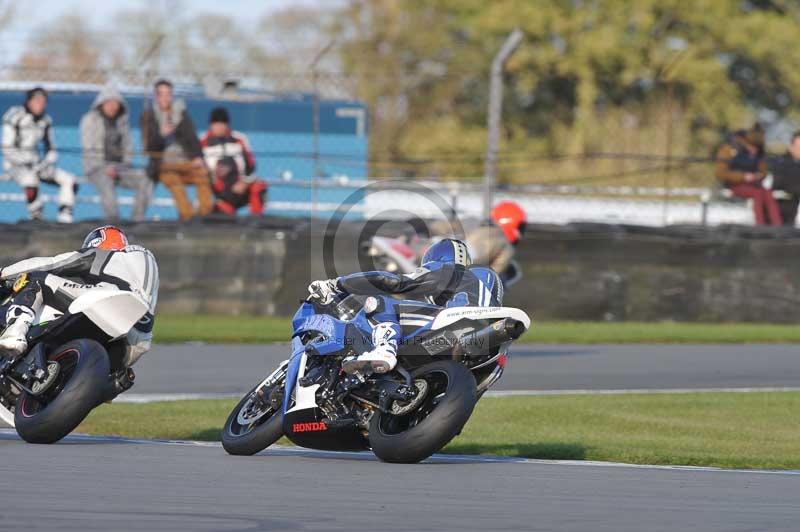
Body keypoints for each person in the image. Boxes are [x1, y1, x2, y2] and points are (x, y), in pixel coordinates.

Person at [307, 239, 496, 374]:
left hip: (459, 321)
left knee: (379, 303)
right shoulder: (477, 284)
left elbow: (394, 282)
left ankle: (385, 350)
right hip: (483, 343)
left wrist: (336, 284)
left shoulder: (447, 270)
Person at [0, 226, 158, 374]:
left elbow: (52, 263)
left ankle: (14, 334)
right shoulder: (141, 264)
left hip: (111, 300)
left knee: (36, 280)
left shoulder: (103, 254)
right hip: (136, 344)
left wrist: (4, 274)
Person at [140, 79, 213, 221]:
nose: (165, 98)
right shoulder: (148, 116)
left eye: (168, 94)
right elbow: (149, 147)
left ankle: (205, 216)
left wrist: (198, 157)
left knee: (203, 176)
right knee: (175, 184)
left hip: (185, 161)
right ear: (156, 97)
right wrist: (162, 135)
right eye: (162, 94)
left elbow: (192, 138)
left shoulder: (181, 114)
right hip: (164, 164)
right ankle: (188, 217)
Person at [1, 87, 76, 223]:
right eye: (37, 101)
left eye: (43, 102)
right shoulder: (14, 116)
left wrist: (47, 161)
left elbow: (51, 148)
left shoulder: (46, 120)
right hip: (14, 165)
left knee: (69, 180)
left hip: (38, 164)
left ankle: (65, 220)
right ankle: (36, 217)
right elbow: (6, 148)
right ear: (29, 101)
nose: (40, 105)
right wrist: (25, 160)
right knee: (30, 179)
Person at [80, 84, 152, 221]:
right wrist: (105, 167)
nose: (112, 106)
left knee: (146, 178)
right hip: (97, 167)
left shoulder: (122, 122)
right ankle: (114, 222)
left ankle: (137, 220)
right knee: (107, 182)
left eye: (116, 103)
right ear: (101, 104)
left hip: (120, 167)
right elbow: (88, 149)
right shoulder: (90, 120)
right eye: (109, 102)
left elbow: (128, 147)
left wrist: (124, 164)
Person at [200, 107, 268, 215]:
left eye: (222, 124)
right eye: (216, 124)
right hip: (221, 190)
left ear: (227, 125)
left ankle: (257, 221)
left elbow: (251, 165)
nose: (219, 127)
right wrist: (214, 175)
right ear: (210, 125)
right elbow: (201, 169)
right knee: (220, 214)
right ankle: (222, 209)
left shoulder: (239, 139)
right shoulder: (203, 142)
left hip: (241, 186)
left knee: (259, 186)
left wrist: (244, 181)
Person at [714, 125, 782, 226]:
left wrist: (758, 175)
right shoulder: (729, 150)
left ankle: (778, 226)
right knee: (758, 193)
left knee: (767, 193)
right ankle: (760, 225)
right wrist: (743, 176)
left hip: (754, 184)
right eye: (752, 145)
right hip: (735, 184)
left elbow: (763, 170)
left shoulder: (758, 154)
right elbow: (720, 173)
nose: (754, 149)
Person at [769, 131, 800, 226]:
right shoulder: (781, 163)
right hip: (781, 205)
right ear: (791, 147)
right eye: (798, 146)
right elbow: (777, 184)